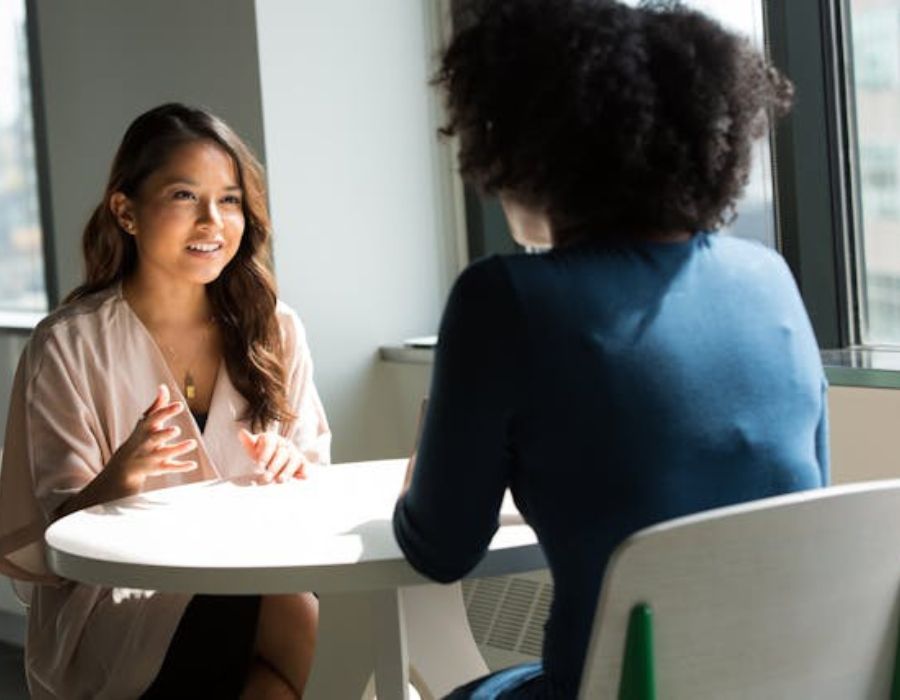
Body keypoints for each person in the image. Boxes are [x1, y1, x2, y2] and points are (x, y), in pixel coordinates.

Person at [392, 1, 829, 698]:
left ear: (529, 149)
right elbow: (801, 505)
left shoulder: (503, 298)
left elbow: (440, 549)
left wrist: (425, 480)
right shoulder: (769, 280)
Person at [0, 103, 330, 699]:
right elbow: (54, 546)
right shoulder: (69, 346)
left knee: (283, 647)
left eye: (229, 200)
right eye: (184, 196)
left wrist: (294, 467)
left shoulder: (275, 329)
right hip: (120, 607)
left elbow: (316, 485)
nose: (213, 221)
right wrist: (116, 482)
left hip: (259, 578)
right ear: (126, 211)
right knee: (298, 621)